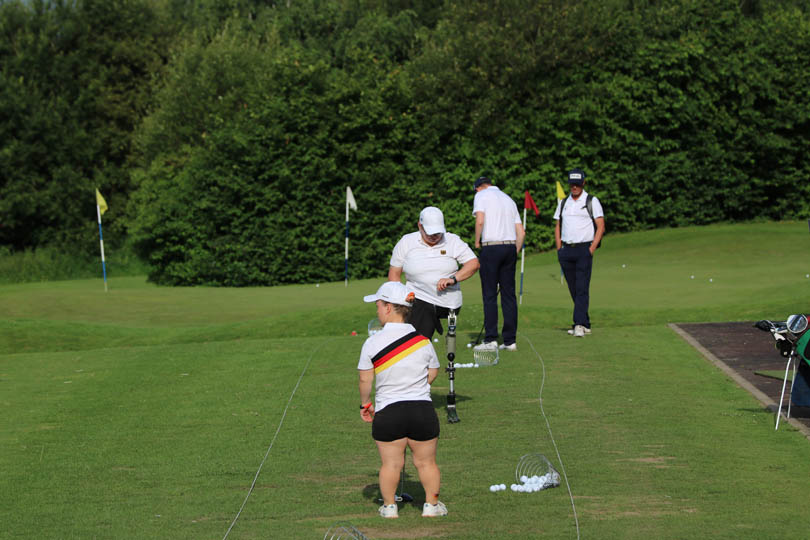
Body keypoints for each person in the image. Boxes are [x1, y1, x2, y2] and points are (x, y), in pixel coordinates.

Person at [357, 281, 448, 519]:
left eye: (378, 305)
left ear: (388, 307)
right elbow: (433, 372)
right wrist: (416, 387)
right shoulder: (423, 341)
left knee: (391, 464)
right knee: (426, 463)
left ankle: (389, 507)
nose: (376, 310)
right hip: (422, 411)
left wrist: (365, 404)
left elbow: (365, 381)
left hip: (389, 412)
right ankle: (431, 505)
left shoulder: (372, 342)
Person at [388, 206, 479, 339]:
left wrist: (453, 279)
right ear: (420, 226)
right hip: (416, 298)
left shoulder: (452, 240)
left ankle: (420, 342)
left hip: (448, 303)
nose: (434, 237)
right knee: (417, 314)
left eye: (437, 233)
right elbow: (394, 275)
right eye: (429, 232)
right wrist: (399, 300)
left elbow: (473, 263)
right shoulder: (406, 242)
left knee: (421, 319)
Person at [471, 177, 525, 351]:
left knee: (489, 294)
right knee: (509, 295)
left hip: (491, 248)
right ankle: (510, 341)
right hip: (509, 247)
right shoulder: (508, 199)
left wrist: (477, 241)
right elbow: (521, 232)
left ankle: (491, 339)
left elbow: (480, 220)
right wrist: (514, 250)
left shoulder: (481, 196)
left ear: (479, 188)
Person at [554, 168, 605, 337]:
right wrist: (559, 247)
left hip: (584, 249)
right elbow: (558, 225)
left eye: (577, 184)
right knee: (574, 288)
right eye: (571, 184)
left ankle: (578, 324)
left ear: (583, 183)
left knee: (582, 287)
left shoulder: (591, 201)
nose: (574, 187)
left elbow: (601, 226)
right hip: (566, 250)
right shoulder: (563, 202)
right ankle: (585, 321)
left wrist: (591, 249)